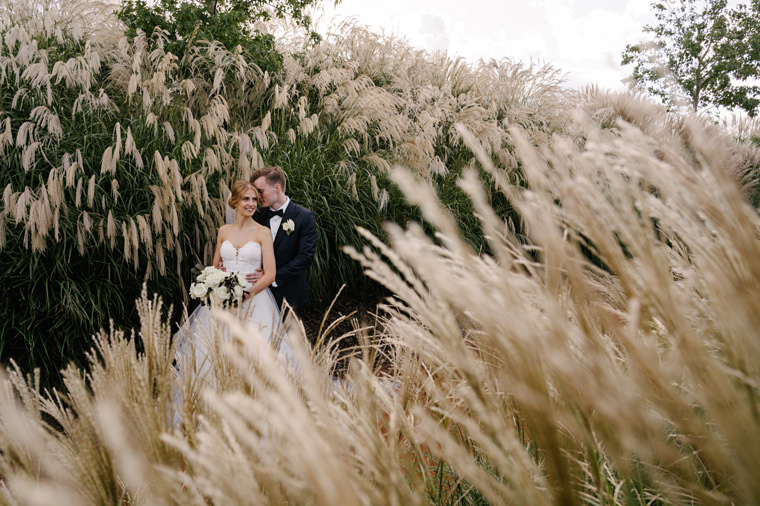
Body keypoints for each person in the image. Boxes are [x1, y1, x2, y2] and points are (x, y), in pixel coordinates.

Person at [173, 181, 296, 424]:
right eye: (246, 199)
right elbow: (215, 266)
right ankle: (216, 410)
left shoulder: (262, 233)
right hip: (223, 302)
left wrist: (247, 294)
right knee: (216, 351)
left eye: (253, 199)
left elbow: (270, 273)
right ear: (235, 203)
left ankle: (254, 411)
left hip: (253, 301)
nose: (251, 203)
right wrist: (214, 281)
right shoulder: (223, 231)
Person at [247, 166, 317, 316]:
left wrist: (271, 277)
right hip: (258, 293)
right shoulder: (256, 216)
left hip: (290, 294)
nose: (257, 196)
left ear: (277, 188)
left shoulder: (304, 217)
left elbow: (305, 258)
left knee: (289, 339)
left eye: (260, 191)